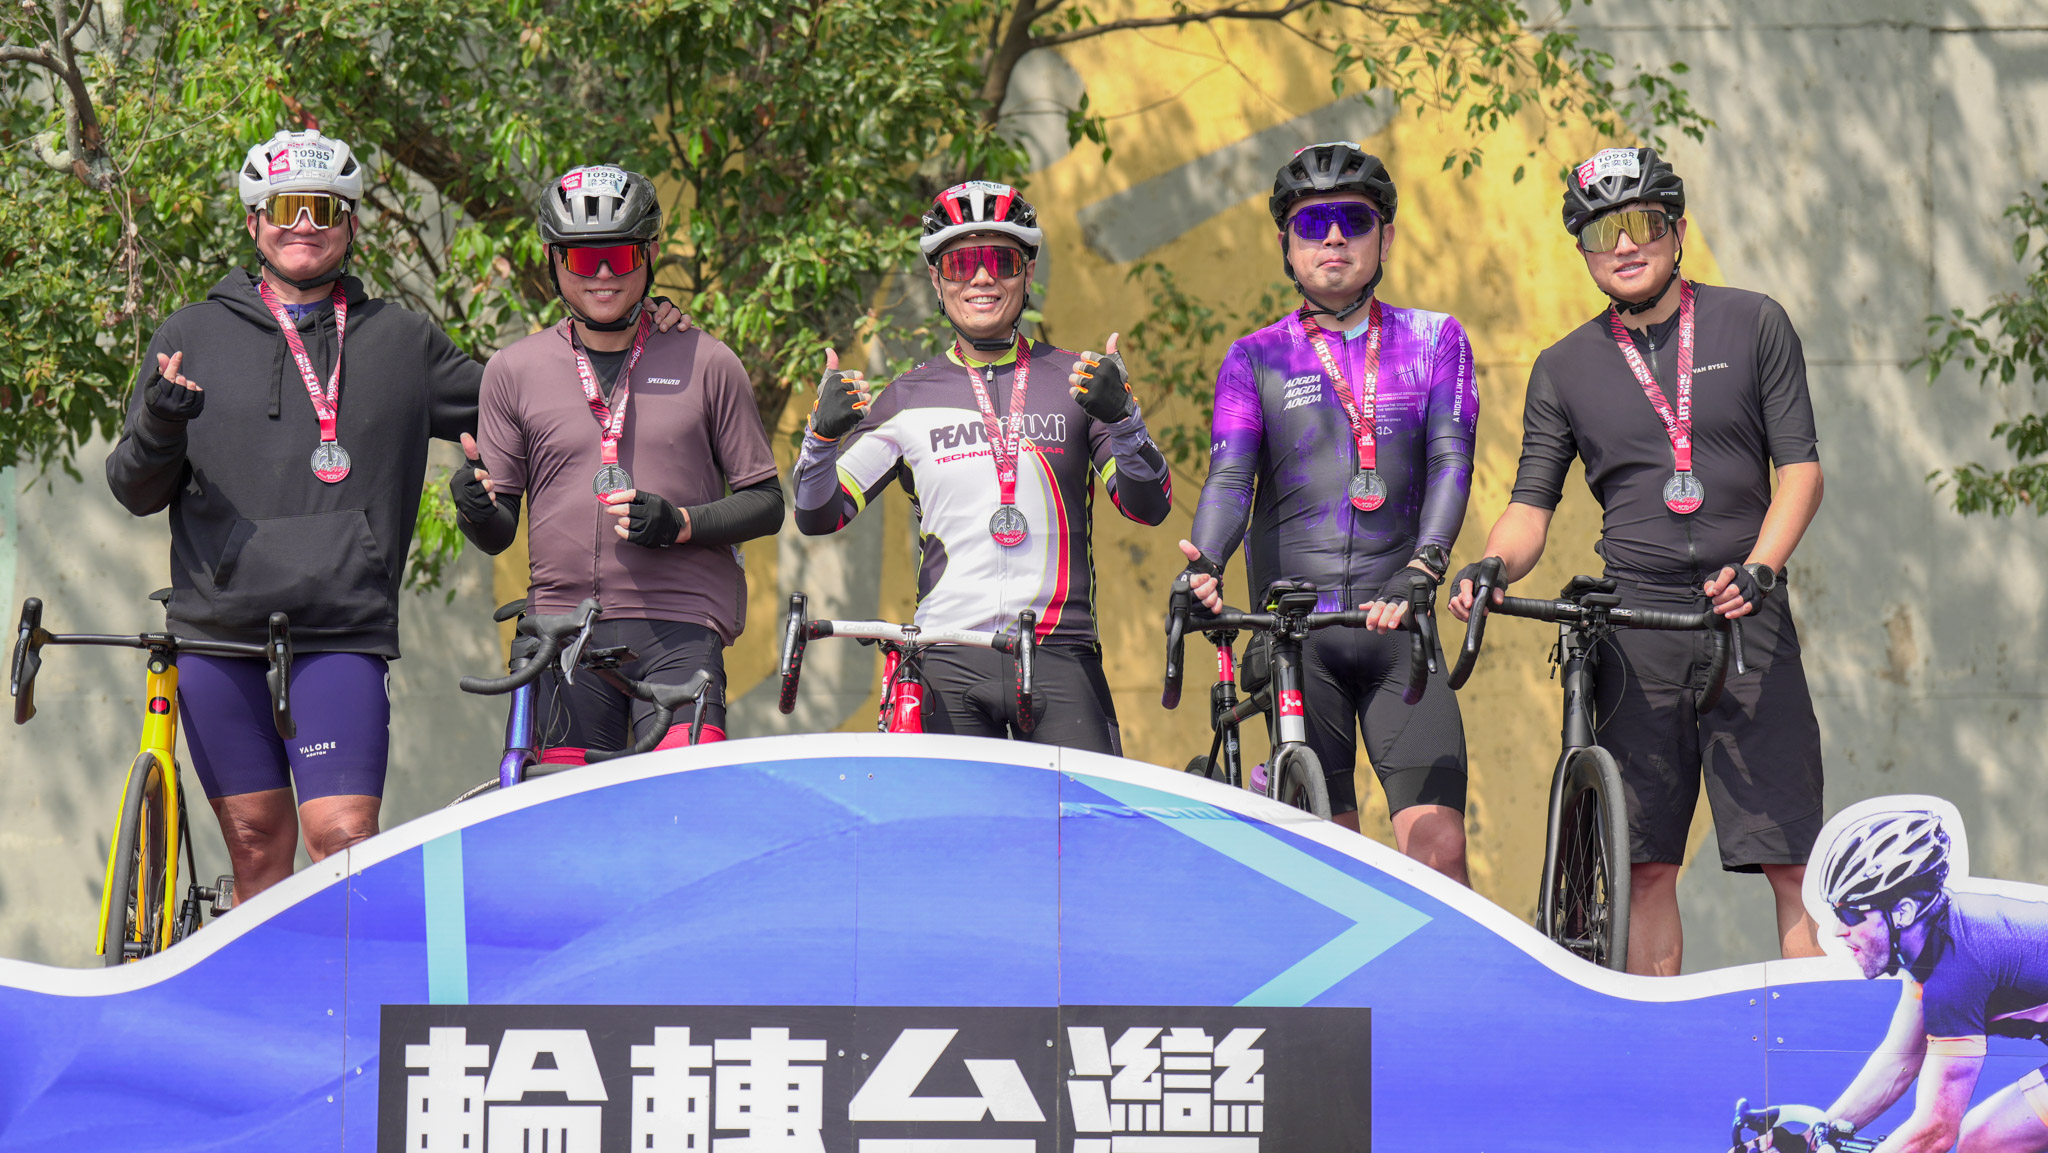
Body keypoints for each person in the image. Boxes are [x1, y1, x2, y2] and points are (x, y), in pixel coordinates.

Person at [104, 131, 681, 902]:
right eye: (285, 207)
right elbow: (134, 489)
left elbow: (530, 401)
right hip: (218, 632)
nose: (302, 223)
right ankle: (280, 987)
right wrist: (159, 424)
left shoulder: (403, 341)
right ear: (253, 222)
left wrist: (638, 334)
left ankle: (343, 986)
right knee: (256, 846)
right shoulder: (190, 335)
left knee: (344, 839)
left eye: (322, 209)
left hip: (342, 630)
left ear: (349, 223)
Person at [1448, 146, 1826, 973]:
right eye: (1600, 231)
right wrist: (1490, 566)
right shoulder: (1563, 367)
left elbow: (1801, 471)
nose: (1623, 245)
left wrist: (1760, 569)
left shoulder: (1754, 322)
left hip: (1744, 612)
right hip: (1633, 625)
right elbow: (1530, 506)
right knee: (1645, 865)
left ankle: (1812, 1039)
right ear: (1583, 250)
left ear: (1677, 230)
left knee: (1793, 858)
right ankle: (1656, 1037)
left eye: (1642, 223)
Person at [1176, 141, 1477, 880]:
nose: (1334, 237)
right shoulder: (1255, 357)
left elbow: (1451, 458)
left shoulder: (1436, 339)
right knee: (1334, 865)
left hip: (1396, 621)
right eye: (1313, 224)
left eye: (1354, 219)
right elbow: (1229, 480)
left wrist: (1424, 564)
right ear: (1287, 245)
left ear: (1386, 237)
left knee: (1440, 850)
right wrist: (1204, 563)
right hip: (1296, 635)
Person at [791, 180, 1172, 751]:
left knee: (1082, 813)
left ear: (1028, 271)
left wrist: (1124, 421)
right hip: (946, 657)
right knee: (950, 814)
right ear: (937, 279)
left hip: (1059, 649)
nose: (982, 278)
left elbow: (1150, 507)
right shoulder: (907, 396)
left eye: (1000, 260)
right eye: (961, 263)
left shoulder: (1078, 382)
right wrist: (820, 438)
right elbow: (817, 515)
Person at [455, 164, 781, 759]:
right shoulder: (512, 370)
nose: (603, 274)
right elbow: (497, 533)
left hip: (681, 627)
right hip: (561, 632)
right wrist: (475, 508)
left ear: (651, 253)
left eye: (621, 255)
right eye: (584, 259)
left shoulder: (708, 360)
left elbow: (766, 503)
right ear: (553, 260)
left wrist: (680, 523)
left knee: (682, 798)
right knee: (569, 811)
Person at [1803, 811, 2048, 1153]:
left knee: (1985, 1139)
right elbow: (1897, 1065)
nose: (1837, 930)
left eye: (1851, 914)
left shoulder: (1957, 970)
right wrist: (1805, 1141)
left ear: (1903, 912)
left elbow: (1935, 1131)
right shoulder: (1931, 952)